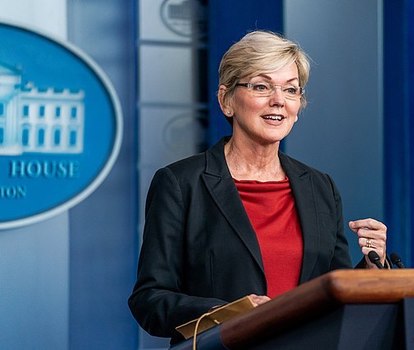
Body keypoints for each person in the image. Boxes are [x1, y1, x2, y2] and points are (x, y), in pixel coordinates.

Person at [128, 30, 388, 344]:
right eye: (261, 86)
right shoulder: (181, 184)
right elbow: (150, 301)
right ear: (226, 100)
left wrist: (374, 263)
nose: (278, 100)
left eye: (291, 90)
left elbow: (334, 294)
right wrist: (231, 313)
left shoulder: (321, 188)